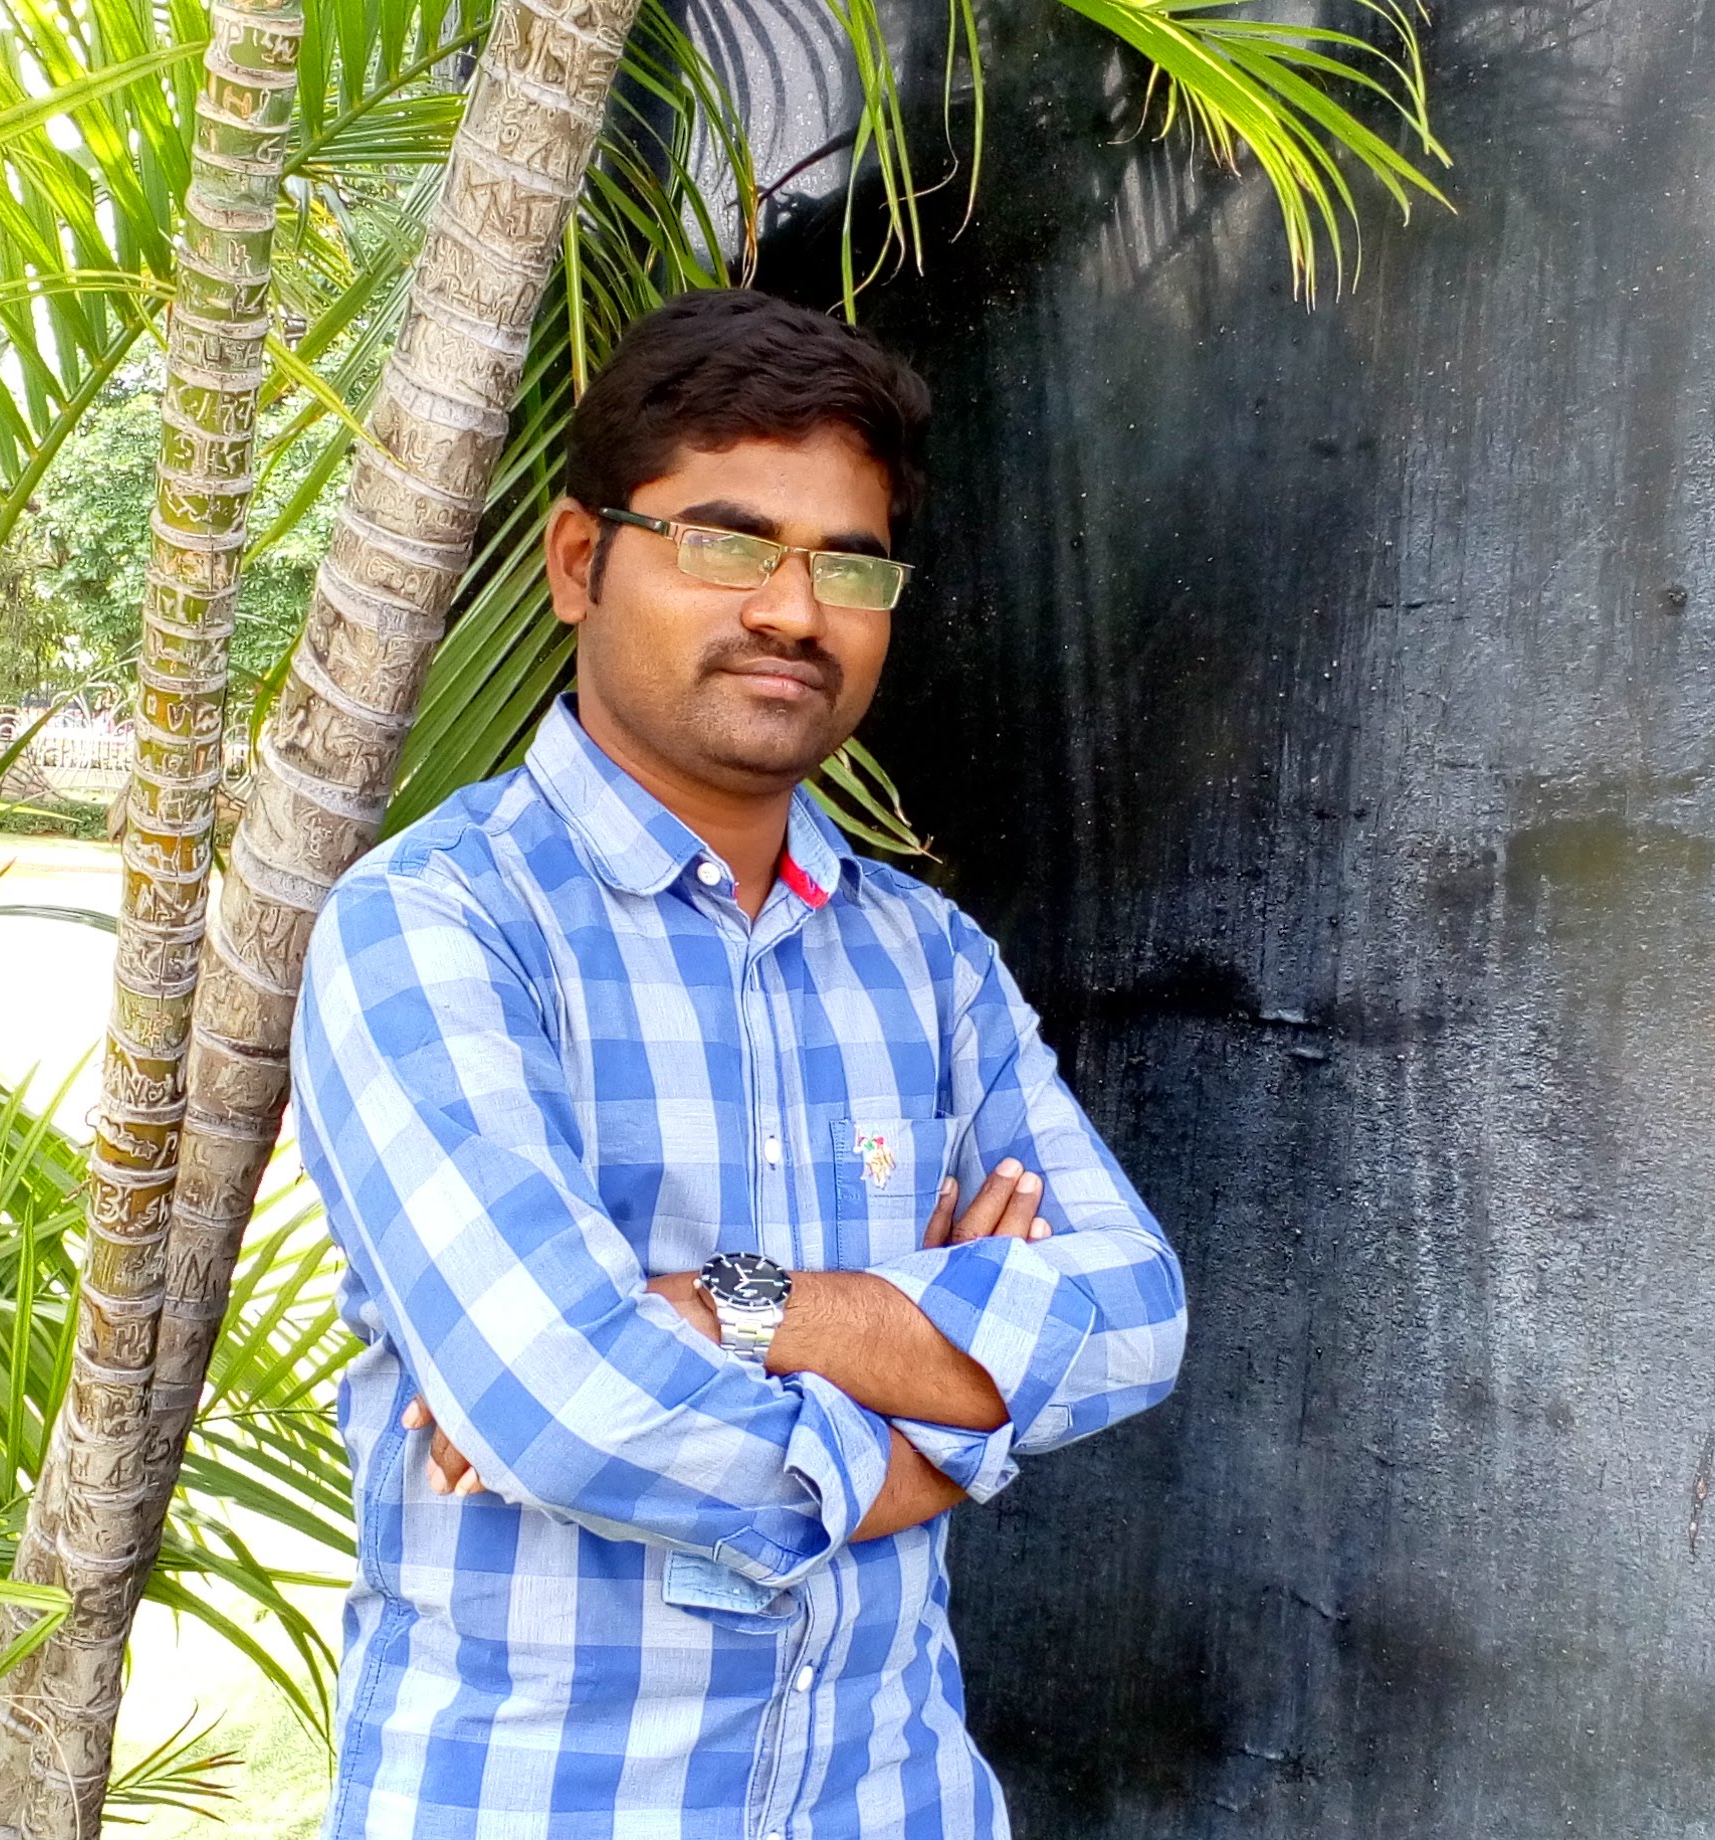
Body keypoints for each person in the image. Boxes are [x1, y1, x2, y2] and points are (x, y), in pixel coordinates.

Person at [290, 288, 1186, 1839]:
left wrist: (730, 1305)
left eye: (849, 564)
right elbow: (568, 1403)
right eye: (727, 542)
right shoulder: (440, 927)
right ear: (579, 562)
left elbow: (1133, 1316)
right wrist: (942, 1440)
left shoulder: (929, 960)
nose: (794, 608)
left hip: (893, 1801)